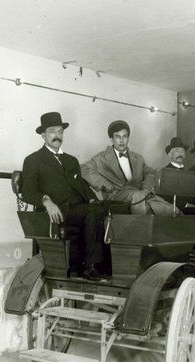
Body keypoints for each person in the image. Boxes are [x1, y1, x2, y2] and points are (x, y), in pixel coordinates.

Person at [21, 112, 107, 281]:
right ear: (43, 135)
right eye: (52, 131)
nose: (57, 136)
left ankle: (107, 267)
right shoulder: (33, 160)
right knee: (93, 212)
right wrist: (46, 201)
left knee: (109, 208)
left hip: (79, 208)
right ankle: (90, 267)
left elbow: (82, 185)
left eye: (60, 131)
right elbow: (28, 192)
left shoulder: (71, 160)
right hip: (58, 212)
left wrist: (92, 198)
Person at [81, 120, 174, 215]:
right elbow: (83, 169)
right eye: (118, 137)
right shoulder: (101, 158)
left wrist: (146, 189)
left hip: (140, 195)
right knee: (138, 196)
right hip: (116, 196)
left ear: (128, 138)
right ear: (111, 139)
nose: (121, 140)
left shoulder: (138, 158)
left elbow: (150, 173)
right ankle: (139, 229)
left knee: (173, 210)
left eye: (124, 136)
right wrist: (102, 183)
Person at [160, 137, 189, 211]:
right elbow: (165, 198)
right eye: (177, 151)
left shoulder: (188, 173)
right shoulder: (165, 172)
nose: (180, 154)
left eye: (182, 151)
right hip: (172, 211)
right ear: (170, 154)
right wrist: (186, 205)